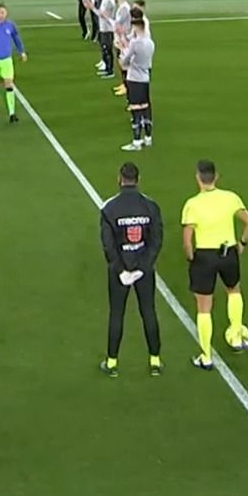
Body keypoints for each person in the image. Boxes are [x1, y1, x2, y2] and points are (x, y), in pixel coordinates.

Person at [181, 159, 248, 370]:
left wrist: (191, 258)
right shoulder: (231, 198)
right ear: (216, 177)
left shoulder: (192, 204)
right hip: (228, 252)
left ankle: (205, 356)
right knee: (234, 291)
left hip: (204, 256)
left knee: (204, 307)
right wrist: (241, 244)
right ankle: (236, 336)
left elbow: (187, 240)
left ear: (198, 178)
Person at [99, 161, 163, 377]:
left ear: (120, 179)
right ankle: (155, 361)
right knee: (149, 312)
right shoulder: (150, 206)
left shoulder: (109, 208)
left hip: (120, 271)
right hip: (143, 269)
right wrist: (143, 267)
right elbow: (156, 241)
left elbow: (108, 245)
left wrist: (120, 271)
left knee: (117, 314)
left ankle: (112, 363)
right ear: (138, 179)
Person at [119, 16, 154, 151]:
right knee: (145, 108)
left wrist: (122, 48)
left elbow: (125, 62)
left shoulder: (135, 43)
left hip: (134, 79)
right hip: (145, 78)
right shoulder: (150, 43)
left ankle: (136, 141)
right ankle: (148, 137)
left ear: (135, 27)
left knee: (135, 110)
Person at [94, 0, 117, 79]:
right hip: (103, 27)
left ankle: (110, 70)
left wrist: (92, 8)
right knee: (105, 48)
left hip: (108, 28)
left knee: (108, 49)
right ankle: (107, 68)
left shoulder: (109, 1)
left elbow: (104, 15)